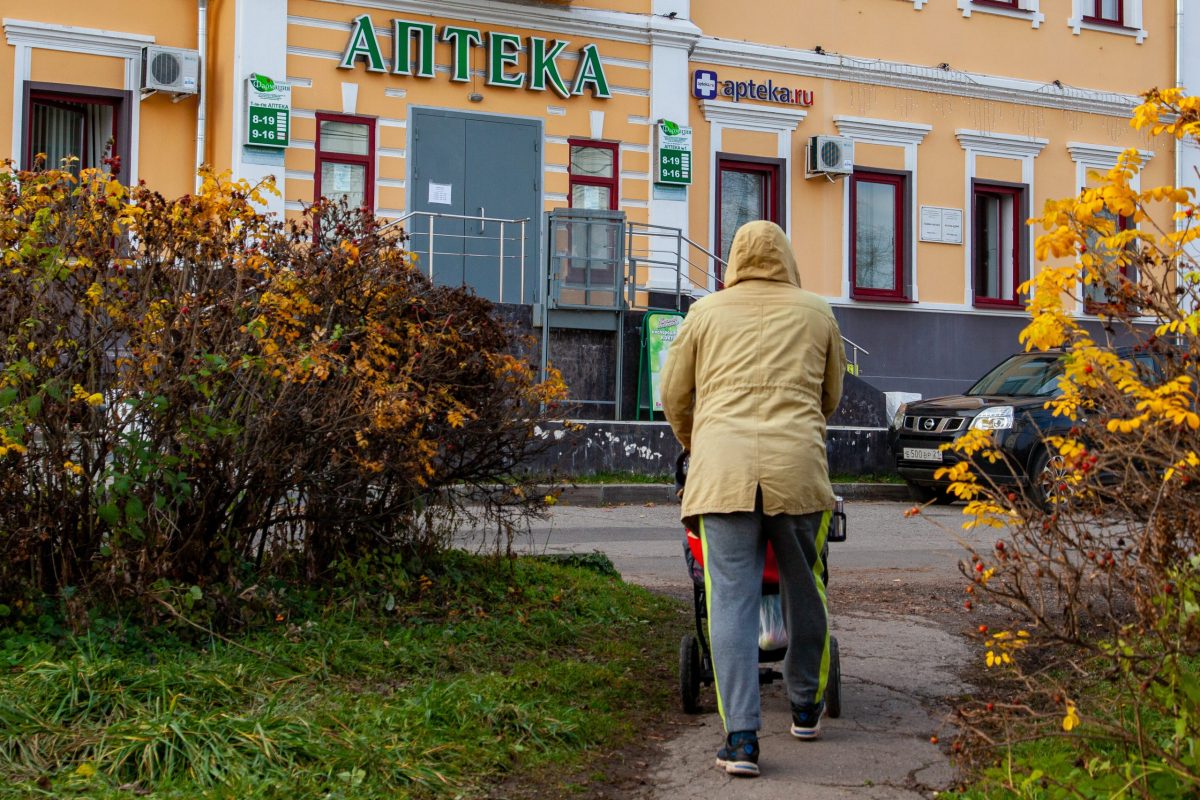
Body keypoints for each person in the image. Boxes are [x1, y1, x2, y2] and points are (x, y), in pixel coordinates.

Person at [660, 220, 845, 778]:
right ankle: (807, 707)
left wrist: (700, 441)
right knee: (805, 586)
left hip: (722, 475)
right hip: (798, 472)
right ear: (786, 257)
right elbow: (831, 395)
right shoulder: (818, 312)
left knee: (730, 601)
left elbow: (674, 393)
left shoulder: (704, 314)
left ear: (734, 260)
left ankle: (741, 739)